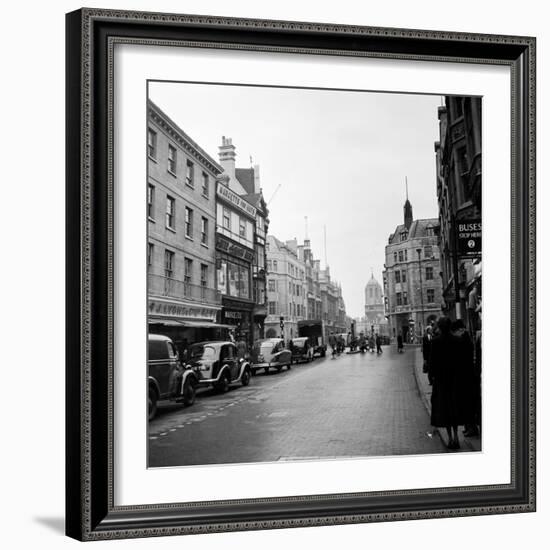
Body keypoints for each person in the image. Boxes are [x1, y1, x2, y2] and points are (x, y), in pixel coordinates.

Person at [429, 316, 467, 450]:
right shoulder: (458, 341)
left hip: (441, 381)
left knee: (445, 410)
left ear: (439, 327)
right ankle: (457, 436)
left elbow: (432, 363)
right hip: (455, 380)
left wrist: (432, 377)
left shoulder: (435, 342)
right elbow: (462, 361)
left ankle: (450, 438)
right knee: (455, 409)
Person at [451, 319, 479, 437]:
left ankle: (471, 428)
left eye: (455, 332)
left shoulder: (464, 340)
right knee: (466, 404)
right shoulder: (464, 339)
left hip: (466, 378)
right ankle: (468, 427)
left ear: (460, 330)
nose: (454, 334)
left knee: (468, 404)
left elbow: (460, 359)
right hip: (466, 376)